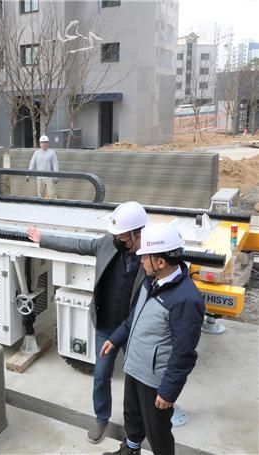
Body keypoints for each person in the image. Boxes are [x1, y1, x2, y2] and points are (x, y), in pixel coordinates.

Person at [26, 201, 148, 444]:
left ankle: (139, 423)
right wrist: (43, 238)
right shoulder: (107, 243)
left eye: (122, 237)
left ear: (137, 235)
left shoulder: (151, 257)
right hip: (106, 325)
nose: (116, 240)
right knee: (101, 375)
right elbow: (79, 245)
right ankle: (101, 418)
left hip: (134, 328)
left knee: (138, 379)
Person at [101, 223, 205, 455]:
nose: (141, 261)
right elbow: (134, 318)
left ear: (160, 262)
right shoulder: (150, 281)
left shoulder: (186, 300)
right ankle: (131, 450)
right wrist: (115, 338)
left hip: (155, 379)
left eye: (144, 257)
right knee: (132, 416)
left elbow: (184, 353)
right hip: (135, 366)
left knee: (157, 430)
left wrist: (168, 390)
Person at [28, 134, 59, 199]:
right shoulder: (36, 153)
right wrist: (28, 174)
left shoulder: (52, 153)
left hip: (49, 178)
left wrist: (56, 176)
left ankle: (53, 207)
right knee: (40, 195)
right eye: (42, 142)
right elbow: (32, 165)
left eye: (45, 142)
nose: (44, 144)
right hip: (39, 177)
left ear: (48, 143)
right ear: (40, 143)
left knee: (52, 195)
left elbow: (55, 165)